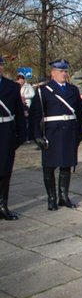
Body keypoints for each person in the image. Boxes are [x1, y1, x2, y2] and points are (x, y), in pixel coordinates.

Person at [29, 59, 82, 210]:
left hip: (69, 132)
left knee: (66, 166)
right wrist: (37, 136)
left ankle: (63, 196)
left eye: (66, 71)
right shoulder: (43, 90)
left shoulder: (73, 90)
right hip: (52, 132)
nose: (64, 74)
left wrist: (81, 132)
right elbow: (35, 116)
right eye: (61, 71)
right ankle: (52, 198)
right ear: (53, 73)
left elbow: (79, 112)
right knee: (49, 167)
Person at [0, 56, 27, 219]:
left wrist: (21, 135)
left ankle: (3, 205)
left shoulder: (12, 87)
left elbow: (19, 113)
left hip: (6, 131)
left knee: (4, 170)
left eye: (0, 65)